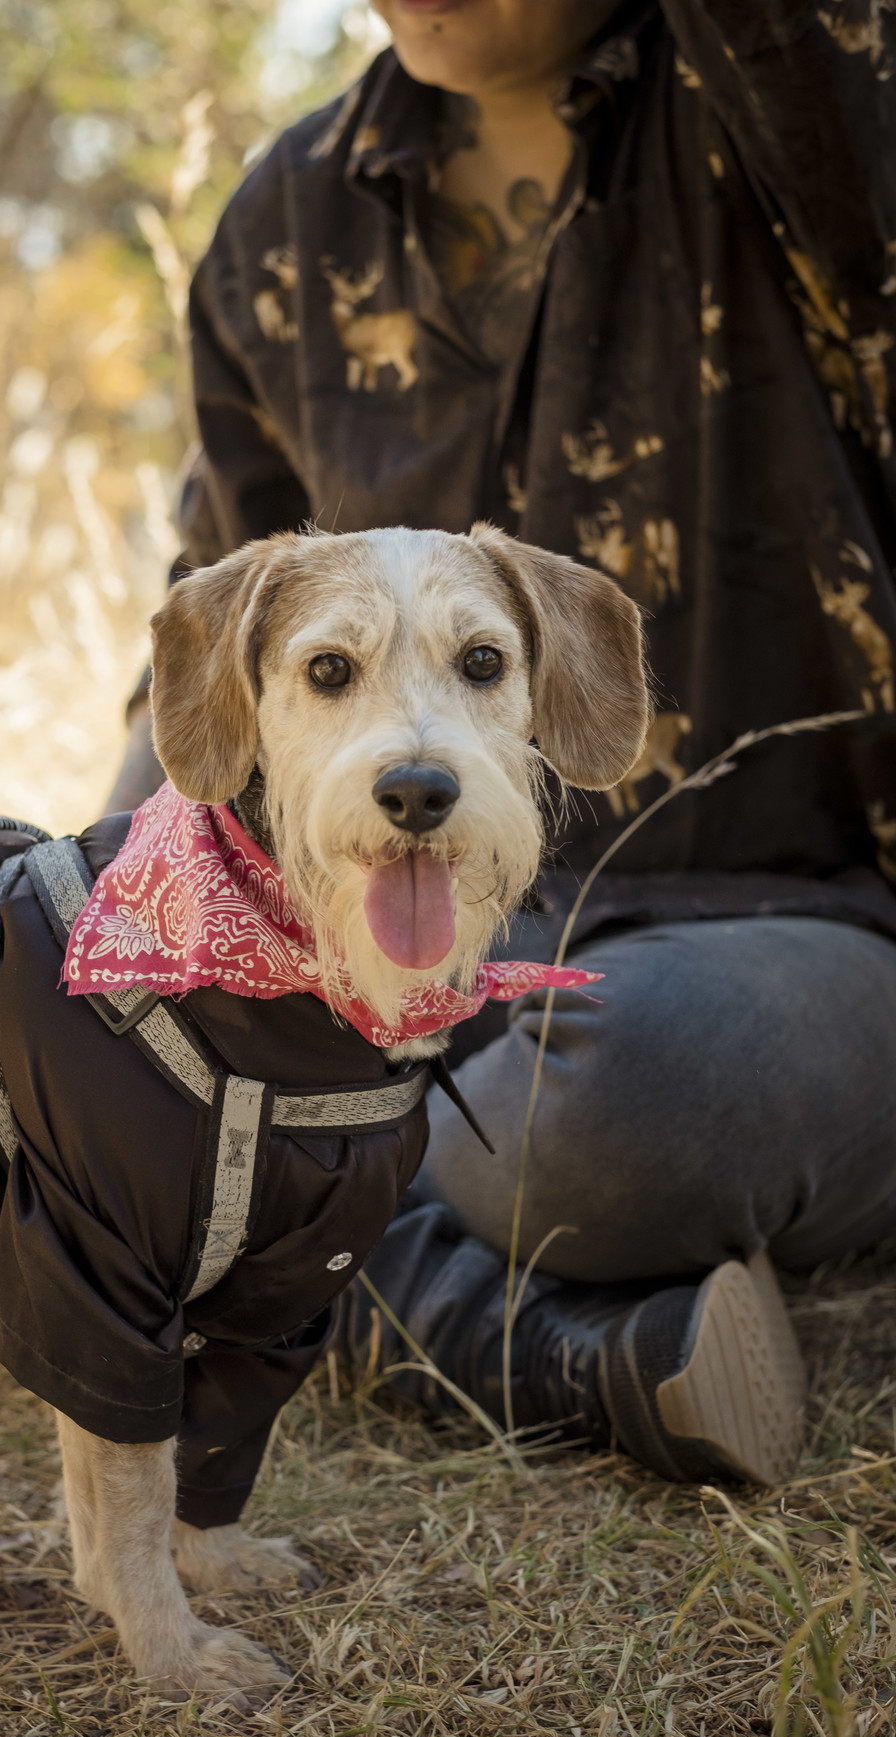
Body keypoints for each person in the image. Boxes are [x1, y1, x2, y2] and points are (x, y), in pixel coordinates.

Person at [106, 0, 896, 1483]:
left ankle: (286, 1263)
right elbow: (214, 659)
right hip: (399, 931)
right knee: (99, 1057)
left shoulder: (819, 88)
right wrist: (101, 930)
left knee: (588, 1111)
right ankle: (546, 1339)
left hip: (806, 925)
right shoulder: (285, 223)